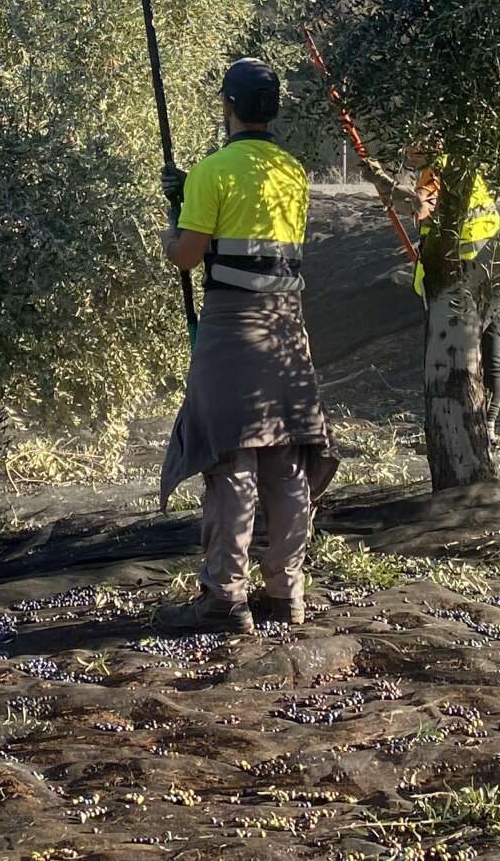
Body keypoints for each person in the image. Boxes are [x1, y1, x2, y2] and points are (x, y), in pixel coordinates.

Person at [154, 58, 338, 635]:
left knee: (231, 458)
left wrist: (175, 221)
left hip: (232, 327)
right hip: (288, 328)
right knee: (285, 459)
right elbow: (257, 242)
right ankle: (286, 596)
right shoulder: (292, 171)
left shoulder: (213, 170)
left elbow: (188, 255)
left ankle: (223, 599)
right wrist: (195, 202)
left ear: (226, 105)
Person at [368, 142, 500, 438]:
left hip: (467, 280)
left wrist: (380, 180)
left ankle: (459, 430)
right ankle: (487, 426)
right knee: (492, 354)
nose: (408, 152)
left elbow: (419, 206)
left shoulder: (438, 170)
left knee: (457, 355)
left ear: (431, 146)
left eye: (413, 145)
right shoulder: (469, 169)